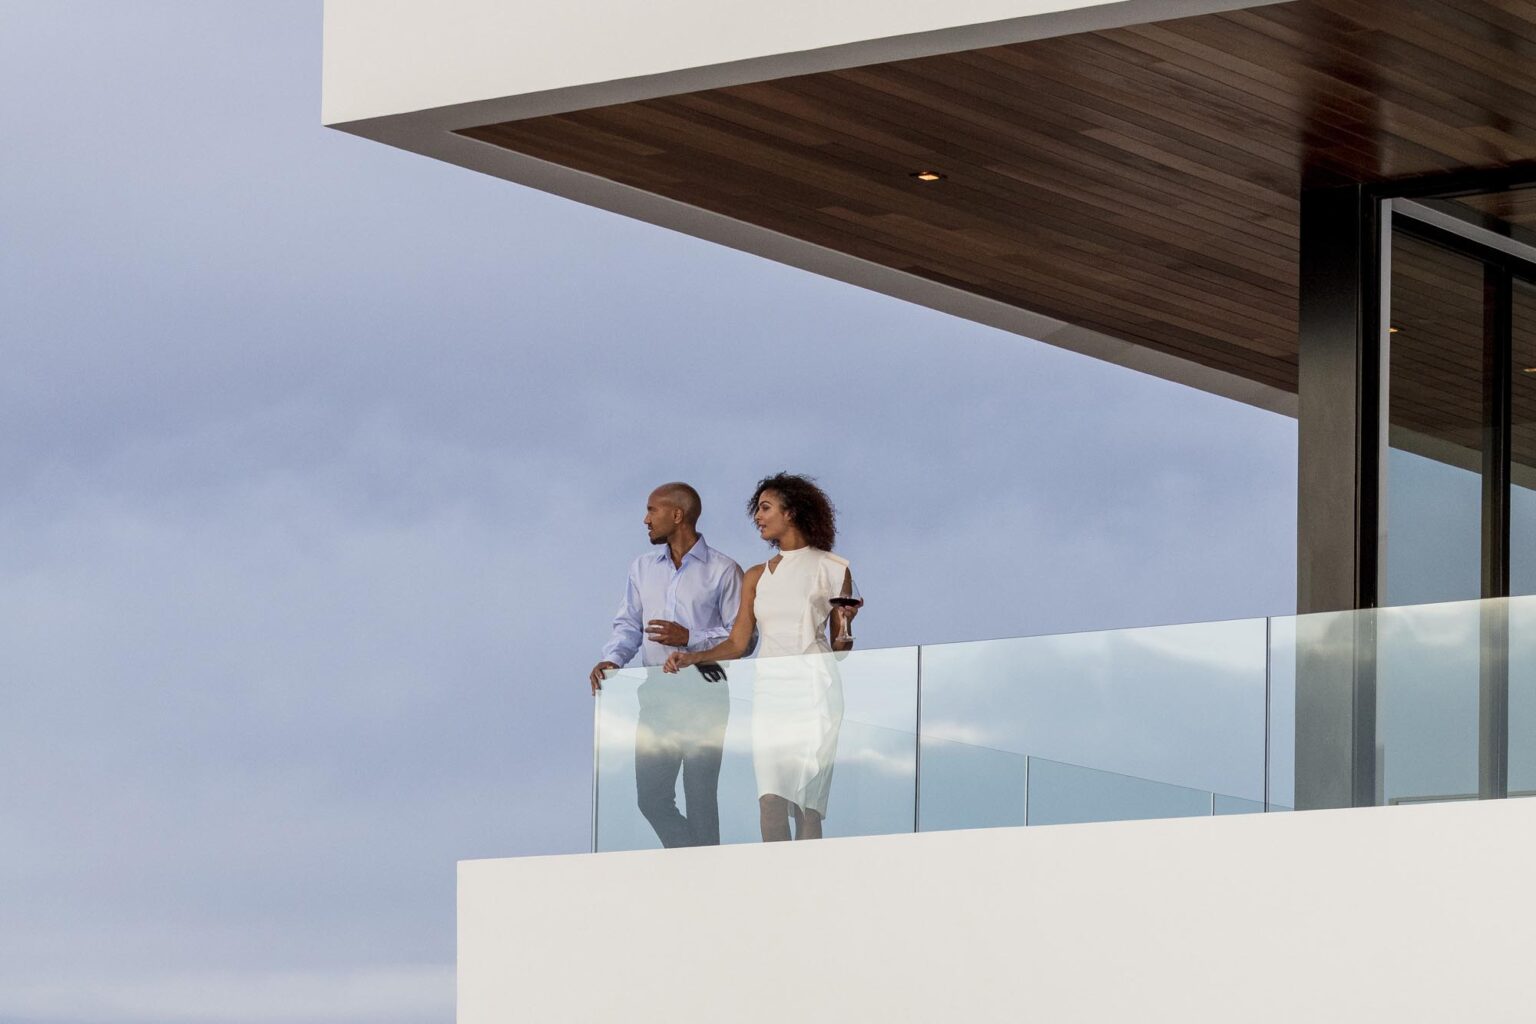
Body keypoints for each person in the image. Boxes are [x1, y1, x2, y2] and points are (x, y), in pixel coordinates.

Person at [665, 473, 858, 842]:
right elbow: (738, 643)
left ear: (792, 512)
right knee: (770, 801)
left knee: (806, 807)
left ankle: (807, 889)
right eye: (758, 509)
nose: (758, 516)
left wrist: (846, 625)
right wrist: (694, 657)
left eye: (765, 508)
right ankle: (777, 888)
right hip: (770, 695)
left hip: (815, 689)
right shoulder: (755, 576)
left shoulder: (833, 567)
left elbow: (841, 651)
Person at [589, 482, 746, 848]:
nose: (645, 520)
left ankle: (703, 883)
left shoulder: (724, 570)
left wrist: (689, 637)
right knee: (652, 798)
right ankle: (698, 866)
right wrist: (612, 659)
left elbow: (742, 639)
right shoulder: (641, 568)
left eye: (652, 510)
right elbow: (629, 624)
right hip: (657, 692)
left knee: (700, 796)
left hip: (705, 689)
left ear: (678, 515)